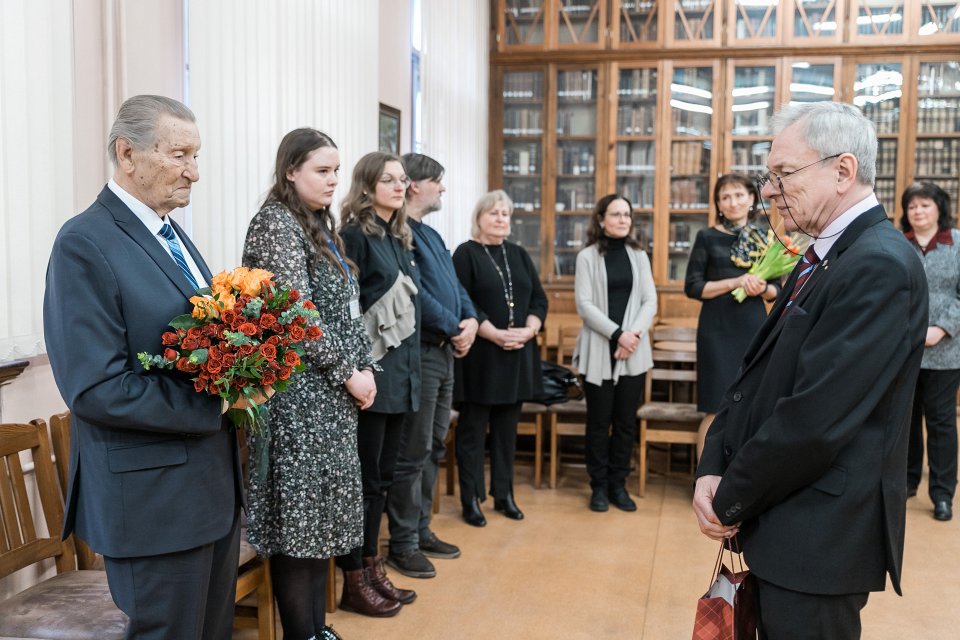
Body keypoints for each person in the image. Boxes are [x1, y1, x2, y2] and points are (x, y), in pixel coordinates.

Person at [693, 101, 928, 639]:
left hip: (821, 540)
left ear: (842, 171)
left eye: (782, 175)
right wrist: (713, 463)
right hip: (786, 520)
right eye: (767, 177)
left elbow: (814, 419)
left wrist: (728, 498)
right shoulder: (825, 253)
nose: (769, 192)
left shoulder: (879, 265)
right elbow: (757, 376)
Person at [43, 95, 269, 639]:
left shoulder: (170, 233)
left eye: (197, 155)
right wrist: (217, 400)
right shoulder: (84, 242)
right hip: (152, 504)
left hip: (206, 490)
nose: (195, 171)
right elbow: (97, 388)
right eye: (179, 155)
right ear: (127, 153)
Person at [242, 128, 377, 638]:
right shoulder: (275, 223)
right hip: (299, 399)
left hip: (332, 399)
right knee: (299, 526)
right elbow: (295, 315)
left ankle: (316, 629)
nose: (333, 180)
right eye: (322, 170)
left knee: (319, 522)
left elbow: (346, 311)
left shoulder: (320, 223)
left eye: (337, 170)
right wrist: (348, 373)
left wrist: (365, 371)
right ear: (290, 172)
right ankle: (304, 633)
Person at [385, 153, 478, 578]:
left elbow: (455, 286)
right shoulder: (399, 233)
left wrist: (470, 320)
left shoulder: (432, 235)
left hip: (445, 352)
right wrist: (454, 325)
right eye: (438, 181)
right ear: (416, 185)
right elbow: (416, 294)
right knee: (413, 450)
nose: (443, 189)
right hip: (420, 352)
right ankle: (402, 542)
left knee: (435, 445)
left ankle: (422, 529)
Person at [338, 151, 421, 615]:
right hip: (372, 377)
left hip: (401, 378)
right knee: (365, 482)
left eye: (402, 179)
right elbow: (353, 314)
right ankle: (354, 575)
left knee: (382, 481)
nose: (398, 186)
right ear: (367, 185)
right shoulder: (356, 235)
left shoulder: (398, 236)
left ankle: (372, 566)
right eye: (388, 179)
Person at [453, 189, 548, 526]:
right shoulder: (465, 253)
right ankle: (471, 498)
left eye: (505, 214)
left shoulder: (519, 254)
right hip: (482, 355)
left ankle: (504, 494)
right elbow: (461, 300)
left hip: (518, 355)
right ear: (479, 217)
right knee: (473, 431)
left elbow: (538, 299)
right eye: (494, 213)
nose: (501, 219)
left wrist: (530, 329)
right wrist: (492, 332)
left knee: (507, 431)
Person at [574, 194, 658, 513]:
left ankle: (618, 485)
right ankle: (597, 486)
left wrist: (632, 335)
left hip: (633, 352)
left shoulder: (639, 255)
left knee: (625, 422)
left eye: (627, 214)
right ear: (601, 220)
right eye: (616, 214)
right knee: (598, 422)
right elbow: (584, 305)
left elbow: (650, 301)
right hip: (599, 349)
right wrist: (618, 334)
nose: (623, 220)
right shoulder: (587, 257)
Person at [684, 173, 778, 456]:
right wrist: (735, 282)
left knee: (750, 407)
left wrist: (761, 288)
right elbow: (693, 287)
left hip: (753, 328)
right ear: (718, 204)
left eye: (739, 195)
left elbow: (778, 291)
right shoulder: (706, 237)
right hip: (717, 330)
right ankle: (703, 479)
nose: (732, 201)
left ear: (751, 199)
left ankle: (734, 482)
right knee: (715, 407)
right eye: (725, 197)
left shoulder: (766, 238)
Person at [900, 182, 960, 522]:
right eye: (912, 207)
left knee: (940, 422)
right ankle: (906, 481)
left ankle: (942, 493)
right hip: (903, 348)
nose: (918, 211)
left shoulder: (957, 243)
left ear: (939, 208)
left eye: (925, 205)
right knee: (906, 419)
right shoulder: (898, 244)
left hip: (946, 350)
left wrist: (942, 329)